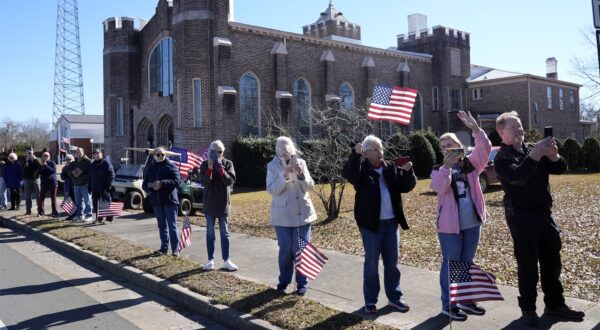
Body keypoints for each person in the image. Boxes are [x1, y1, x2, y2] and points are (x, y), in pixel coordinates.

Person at [494, 111, 585, 327]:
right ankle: (528, 310)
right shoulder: (502, 157)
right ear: (501, 132)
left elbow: (560, 168)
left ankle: (555, 305)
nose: (519, 129)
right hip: (522, 218)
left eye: (520, 125)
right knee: (527, 266)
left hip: (545, 214)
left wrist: (553, 156)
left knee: (552, 262)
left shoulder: (532, 148)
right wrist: (536, 154)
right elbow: (518, 177)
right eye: (513, 126)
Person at [342, 134, 417, 314]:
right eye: (375, 150)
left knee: (392, 263)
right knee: (371, 263)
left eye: (381, 148)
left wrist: (408, 172)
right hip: (370, 225)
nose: (379, 152)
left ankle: (395, 298)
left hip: (391, 223)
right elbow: (348, 174)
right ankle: (370, 300)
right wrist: (355, 155)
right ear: (366, 153)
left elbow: (405, 187)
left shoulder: (390, 167)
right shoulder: (362, 170)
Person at [430, 111, 491, 321]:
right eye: (443, 146)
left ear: (459, 147)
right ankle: (449, 305)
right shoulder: (438, 170)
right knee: (451, 263)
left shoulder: (470, 165)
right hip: (449, 228)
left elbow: (485, 149)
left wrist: (476, 129)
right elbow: (439, 188)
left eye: (450, 144)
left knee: (466, 263)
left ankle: (465, 300)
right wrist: (447, 167)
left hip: (472, 223)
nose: (447, 148)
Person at [266, 136, 317, 295]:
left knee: (302, 249)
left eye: (288, 153)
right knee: (286, 249)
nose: (286, 157)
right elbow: (272, 190)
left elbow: (310, 187)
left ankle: (302, 283)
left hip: (303, 214)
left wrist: (301, 175)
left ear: (293, 151)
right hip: (282, 216)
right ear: (277, 152)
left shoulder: (301, 163)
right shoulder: (272, 166)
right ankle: (284, 281)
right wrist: (285, 176)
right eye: (283, 154)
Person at [199, 140, 238, 271]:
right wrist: (210, 168)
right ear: (210, 152)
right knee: (210, 234)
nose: (218, 155)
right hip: (210, 204)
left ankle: (226, 260)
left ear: (223, 152)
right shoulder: (205, 164)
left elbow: (230, 181)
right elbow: (205, 183)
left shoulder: (228, 163)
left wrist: (221, 169)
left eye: (220, 152)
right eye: (214, 152)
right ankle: (210, 260)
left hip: (223, 204)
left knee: (224, 233)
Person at [143, 147, 181, 257]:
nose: (160, 156)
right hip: (157, 201)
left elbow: (177, 181)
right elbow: (144, 184)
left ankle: (175, 249)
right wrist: (151, 186)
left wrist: (162, 183)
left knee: (172, 226)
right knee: (162, 226)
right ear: (154, 156)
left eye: (162, 154)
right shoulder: (151, 168)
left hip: (169, 201)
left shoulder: (171, 166)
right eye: (158, 154)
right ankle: (164, 248)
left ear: (165, 155)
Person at [89, 149, 115, 224]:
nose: (96, 155)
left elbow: (112, 175)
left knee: (105, 203)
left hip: (104, 187)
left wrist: (109, 185)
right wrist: (90, 187)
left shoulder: (106, 163)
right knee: (95, 204)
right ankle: (96, 219)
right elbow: (90, 177)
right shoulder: (93, 164)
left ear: (101, 154)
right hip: (94, 188)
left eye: (98, 153)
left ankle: (109, 219)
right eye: (94, 154)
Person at [71, 148, 93, 222]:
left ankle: (89, 215)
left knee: (88, 201)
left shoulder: (88, 161)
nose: (78, 154)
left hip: (85, 184)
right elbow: (73, 173)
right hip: (76, 184)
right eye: (77, 152)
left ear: (83, 152)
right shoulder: (76, 161)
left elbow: (90, 173)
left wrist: (81, 176)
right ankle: (80, 216)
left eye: (79, 152)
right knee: (78, 202)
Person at [37, 152, 59, 218]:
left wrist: (46, 165)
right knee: (41, 198)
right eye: (44, 156)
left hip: (52, 183)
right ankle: (41, 212)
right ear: (42, 157)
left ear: (49, 156)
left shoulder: (52, 163)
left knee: (53, 198)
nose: (45, 157)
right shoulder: (40, 164)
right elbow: (39, 172)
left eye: (47, 156)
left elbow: (52, 171)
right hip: (44, 183)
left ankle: (55, 212)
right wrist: (42, 166)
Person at [22, 147, 41, 215]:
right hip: (27, 179)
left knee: (38, 195)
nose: (29, 153)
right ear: (26, 152)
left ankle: (40, 211)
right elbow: (21, 167)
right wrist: (26, 160)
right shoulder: (24, 159)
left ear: (33, 152)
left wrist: (35, 159)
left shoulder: (37, 159)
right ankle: (28, 210)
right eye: (28, 151)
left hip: (36, 179)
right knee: (27, 195)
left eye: (31, 151)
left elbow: (41, 167)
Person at [61, 154, 76, 219]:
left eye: (69, 159)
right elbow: (62, 177)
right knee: (67, 199)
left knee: (74, 199)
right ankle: (70, 214)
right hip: (67, 185)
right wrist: (65, 169)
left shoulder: (75, 166)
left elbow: (73, 176)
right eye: (66, 159)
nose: (68, 161)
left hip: (74, 184)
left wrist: (69, 168)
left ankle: (75, 214)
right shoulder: (65, 167)